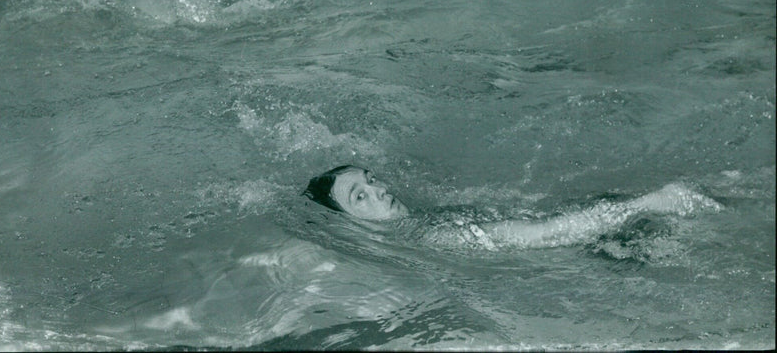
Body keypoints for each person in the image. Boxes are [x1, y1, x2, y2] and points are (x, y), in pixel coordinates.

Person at [304, 165, 722, 250]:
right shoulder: (430, 237)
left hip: (596, 231)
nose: (378, 191)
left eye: (371, 179)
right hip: (599, 251)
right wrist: (648, 202)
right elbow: (545, 235)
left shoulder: (423, 218)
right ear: (351, 225)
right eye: (360, 197)